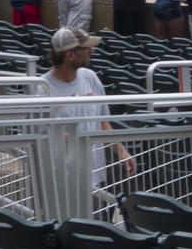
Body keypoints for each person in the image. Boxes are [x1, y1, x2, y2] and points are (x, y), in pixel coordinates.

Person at [40, 29, 138, 202]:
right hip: (62, 181)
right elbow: (43, 136)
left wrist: (122, 152)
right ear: (70, 54)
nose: (91, 51)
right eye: (86, 48)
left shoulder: (91, 77)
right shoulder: (42, 88)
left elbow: (102, 123)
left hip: (95, 176)